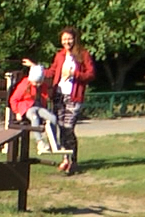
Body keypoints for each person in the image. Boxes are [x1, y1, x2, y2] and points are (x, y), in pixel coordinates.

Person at [25, 26, 94, 175]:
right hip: (59, 96)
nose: (66, 42)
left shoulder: (83, 54)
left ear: (74, 39)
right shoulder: (59, 56)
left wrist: (74, 74)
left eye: (69, 39)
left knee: (68, 128)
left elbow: (90, 74)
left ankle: (73, 160)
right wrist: (35, 67)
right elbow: (51, 72)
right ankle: (65, 159)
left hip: (74, 97)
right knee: (61, 127)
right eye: (64, 39)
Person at [9, 63, 59, 154]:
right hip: (26, 108)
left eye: (39, 82)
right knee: (34, 116)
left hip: (38, 107)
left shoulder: (42, 86)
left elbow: (44, 98)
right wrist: (17, 112)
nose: (36, 84)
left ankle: (53, 142)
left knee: (53, 118)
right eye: (35, 82)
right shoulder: (25, 84)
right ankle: (40, 142)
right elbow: (13, 99)